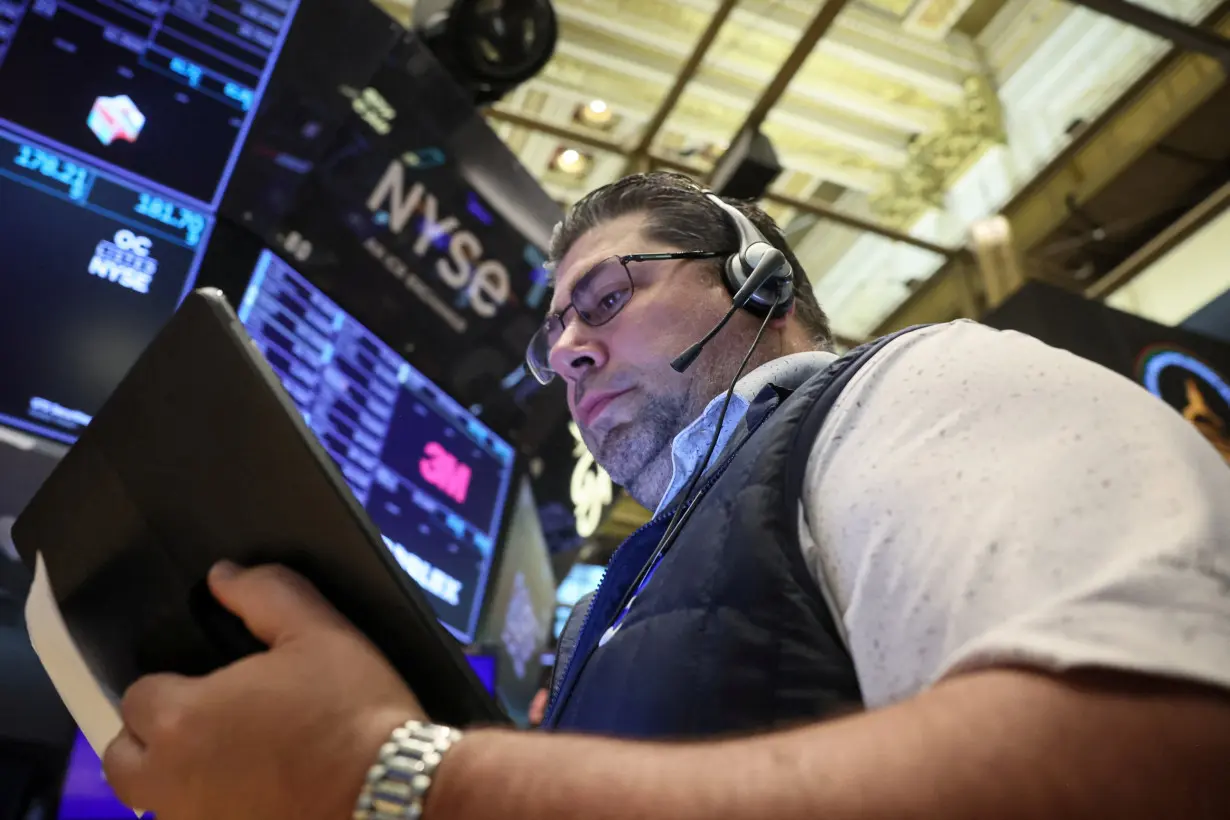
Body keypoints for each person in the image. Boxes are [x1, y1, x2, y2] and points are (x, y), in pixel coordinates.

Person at [102, 173, 1230, 820]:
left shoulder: (922, 385)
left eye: (606, 299)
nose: (573, 353)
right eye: (557, 335)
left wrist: (388, 774)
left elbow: (1152, 754)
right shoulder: (630, 582)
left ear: (761, 280)